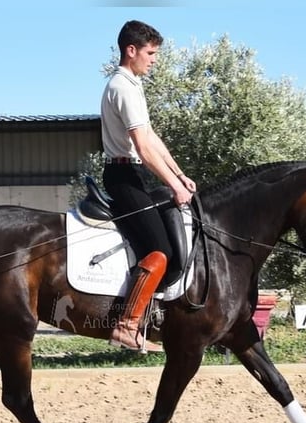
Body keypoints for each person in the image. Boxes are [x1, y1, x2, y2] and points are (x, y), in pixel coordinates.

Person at [101, 19, 197, 352]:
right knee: (163, 251)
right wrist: (173, 184)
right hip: (123, 177)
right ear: (131, 50)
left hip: (134, 174)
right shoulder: (123, 87)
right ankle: (127, 325)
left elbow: (152, 138)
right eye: (150, 53)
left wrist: (180, 174)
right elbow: (142, 147)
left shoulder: (133, 85)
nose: (154, 59)